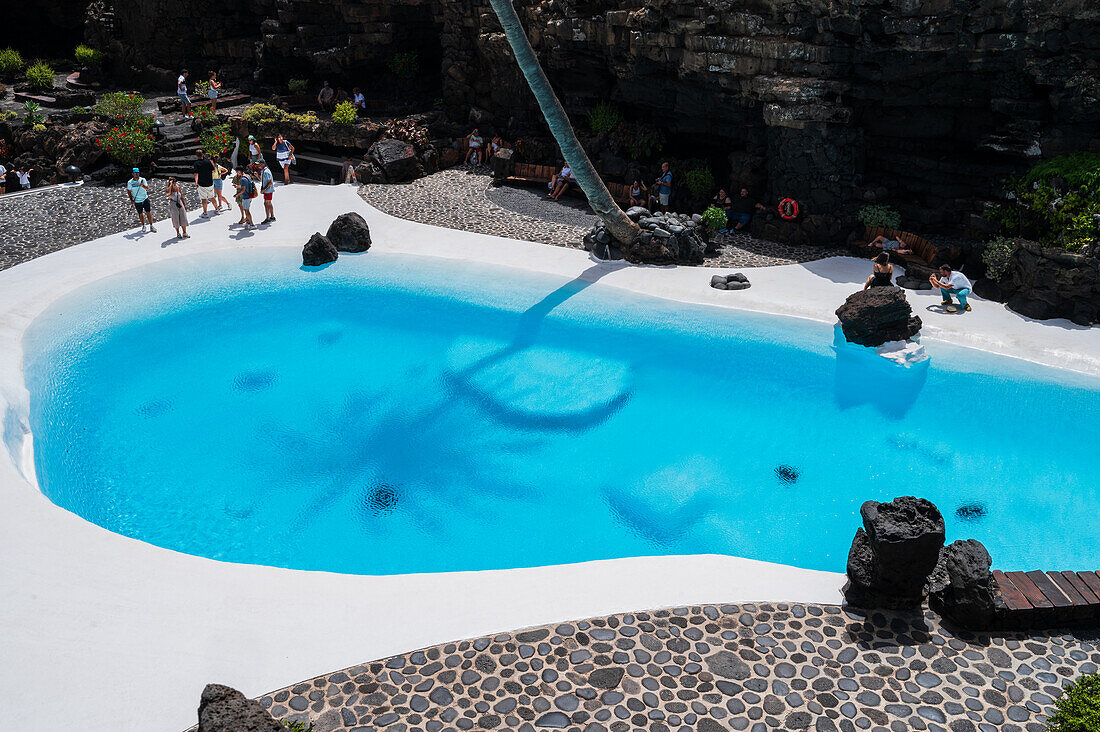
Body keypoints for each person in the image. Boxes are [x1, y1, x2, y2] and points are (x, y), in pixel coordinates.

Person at [126, 167, 156, 233]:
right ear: (132, 174)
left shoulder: (143, 179)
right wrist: (132, 200)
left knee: (148, 212)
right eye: (135, 173)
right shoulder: (130, 182)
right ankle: (143, 226)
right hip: (137, 201)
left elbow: (147, 188)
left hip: (145, 198)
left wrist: (142, 185)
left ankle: (151, 225)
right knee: (140, 214)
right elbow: (129, 191)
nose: (137, 174)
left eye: (138, 173)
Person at [193, 149, 216, 216]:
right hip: (210, 182)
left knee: (204, 199)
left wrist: (196, 182)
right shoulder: (208, 162)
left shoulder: (196, 163)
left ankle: (205, 213)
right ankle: (217, 209)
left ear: (196, 156)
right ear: (203, 155)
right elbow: (213, 171)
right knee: (212, 197)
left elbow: (196, 174)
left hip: (202, 183)